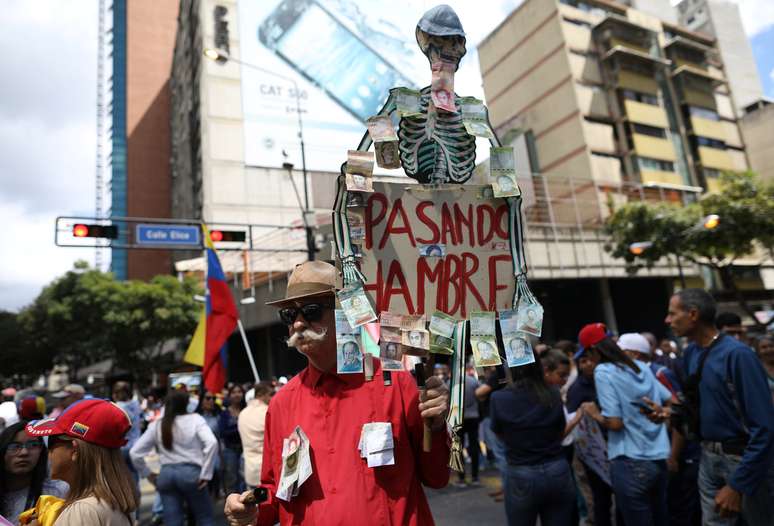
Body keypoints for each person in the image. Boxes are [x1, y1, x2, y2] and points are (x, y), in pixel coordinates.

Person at [224, 261, 450, 525]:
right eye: (289, 315)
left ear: (346, 312)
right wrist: (250, 506)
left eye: (311, 311)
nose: (297, 323)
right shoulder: (282, 403)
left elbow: (437, 477)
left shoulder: (396, 384)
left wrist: (435, 427)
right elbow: (274, 490)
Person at [667, 288, 774, 524]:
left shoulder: (738, 356)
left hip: (743, 461)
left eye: (673, 314)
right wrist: (667, 413)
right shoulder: (692, 353)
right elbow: (700, 405)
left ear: (693, 314)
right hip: (708, 458)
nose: (668, 320)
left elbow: (765, 427)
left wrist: (738, 484)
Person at [579, 329, 672, 525]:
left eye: (588, 354)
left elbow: (615, 423)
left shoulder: (603, 372)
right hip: (658, 460)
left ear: (594, 350)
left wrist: (594, 413)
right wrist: (662, 414)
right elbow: (671, 400)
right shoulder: (641, 367)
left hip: (629, 460)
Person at [490, 351, 575, 525]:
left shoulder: (499, 398)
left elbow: (499, 434)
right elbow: (560, 430)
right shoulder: (553, 393)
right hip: (556, 469)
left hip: (521, 471)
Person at [25, 399, 138, 525]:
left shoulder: (83, 511)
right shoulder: (114, 502)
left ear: (74, 450)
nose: (47, 452)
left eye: (51, 442)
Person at [131, 390, 218, 526]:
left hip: (166, 475)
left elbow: (135, 452)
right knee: (204, 517)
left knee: (172, 521)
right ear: (186, 404)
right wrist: (206, 473)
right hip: (191, 473)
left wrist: (147, 474)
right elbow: (212, 443)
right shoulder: (196, 419)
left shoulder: (158, 424)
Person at [1, 421, 67, 525]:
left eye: (33, 445)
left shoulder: (58, 492)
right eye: (15, 446)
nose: (24, 452)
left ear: (42, 451)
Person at [238, 382, 273, 489]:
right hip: (267, 472)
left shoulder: (242, 413)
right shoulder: (267, 412)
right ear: (263, 394)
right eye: (271, 394)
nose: (272, 398)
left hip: (249, 470)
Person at [219, 384, 246, 495]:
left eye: (239, 391)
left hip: (245, 449)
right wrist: (239, 427)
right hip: (230, 450)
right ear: (229, 395)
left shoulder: (247, 411)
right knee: (231, 478)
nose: (237, 394)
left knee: (244, 478)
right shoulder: (225, 413)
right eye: (234, 392)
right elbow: (223, 432)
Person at [455, 371, 481, 487]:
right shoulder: (474, 381)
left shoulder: (452, 382)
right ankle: (475, 477)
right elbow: (480, 397)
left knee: (458, 448)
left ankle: (461, 478)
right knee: (474, 446)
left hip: (458, 418)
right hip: (473, 416)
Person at [196, 390, 223, 497]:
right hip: (199, 458)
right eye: (208, 398)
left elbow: (220, 439)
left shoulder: (218, 417)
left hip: (215, 457)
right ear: (201, 401)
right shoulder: (195, 418)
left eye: (213, 398)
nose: (211, 401)